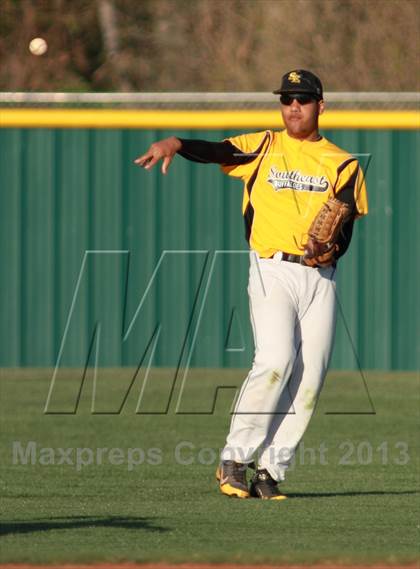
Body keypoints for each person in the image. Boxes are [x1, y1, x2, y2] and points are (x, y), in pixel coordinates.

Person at [135, 69, 368, 500]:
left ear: (321, 105)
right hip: (272, 268)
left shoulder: (343, 163)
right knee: (276, 358)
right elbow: (218, 149)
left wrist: (332, 251)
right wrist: (179, 145)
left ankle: (270, 471)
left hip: (321, 279)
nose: (293, 106)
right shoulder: (263, 146)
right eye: (286, 99)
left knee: (310, 377)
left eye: (302, 98)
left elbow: (345, 226)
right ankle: (233, 459)